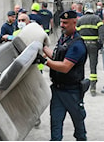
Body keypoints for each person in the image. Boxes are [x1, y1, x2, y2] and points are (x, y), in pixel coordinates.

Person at [37, 10, 88, 140]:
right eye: (61, 22)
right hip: (58, 90)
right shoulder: (64, 38)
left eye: (65, 23)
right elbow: (55, 56)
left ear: (74, 22)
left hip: (72, 92)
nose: (62, 25)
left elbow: (65, 67)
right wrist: (42, 47)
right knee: (55, 125)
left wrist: (45, 61)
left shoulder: (77, 44)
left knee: (79, 127)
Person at [76, 8, 104, 96]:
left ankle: (79, 84)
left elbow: (75, 33)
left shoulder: (80, 20)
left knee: (80, 65)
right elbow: (102, 32)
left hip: (82, 46)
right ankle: (93, 88)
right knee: (93, 66)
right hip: (93, 46)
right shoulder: (97, 19)